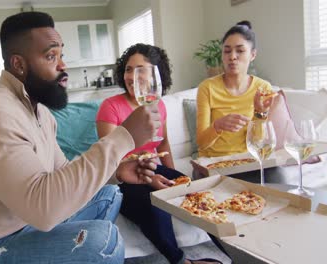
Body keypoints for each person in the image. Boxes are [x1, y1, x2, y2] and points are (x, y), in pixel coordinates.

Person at [0, 11, 162, 264]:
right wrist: (123, 137)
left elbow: (63, 172)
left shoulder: (40, 112)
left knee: (110, 193)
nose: (62, 65)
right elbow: (43, 209)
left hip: (26, 226)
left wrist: (117, 171)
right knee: (103, 241)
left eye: (61, 55)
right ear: (19, 64)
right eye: (50, 56)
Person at [96, 44, 222, 264]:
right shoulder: (110, 106)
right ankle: (182, 261)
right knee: (155, 205)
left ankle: (237, 253)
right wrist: (152, 180)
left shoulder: (158, 104)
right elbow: (109, 157)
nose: (132, 76)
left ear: (156, 73)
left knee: (200, 195)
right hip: (121, 177)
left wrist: (174, 174)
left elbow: (163, 143)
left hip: (153, 168)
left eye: (140, 69)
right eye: (128, 69)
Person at [196, 21, 274, 158]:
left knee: (279, 176)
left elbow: (259, 142)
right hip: (214, 162)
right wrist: (217, 126)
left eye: (240, 51)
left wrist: (260, 115)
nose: (232, 57)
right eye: (227, 51)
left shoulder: (263, 88)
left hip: (248, 160)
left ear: (253, 55)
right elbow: (201, 143)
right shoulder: (207, 88)